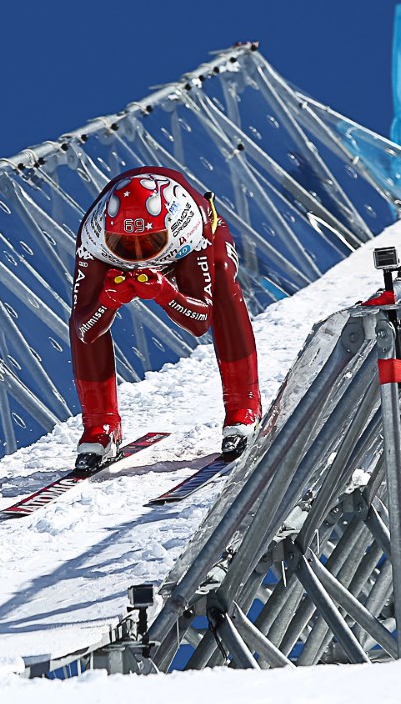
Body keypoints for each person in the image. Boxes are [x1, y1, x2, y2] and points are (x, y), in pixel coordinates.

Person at [68, 166, 260, 474]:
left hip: (182, 252)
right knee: (85, 311)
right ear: (108, 236)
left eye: (149, 242)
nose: (140, 257)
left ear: (171, 229)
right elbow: (85, 330)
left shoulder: (189, 228)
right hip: (140, 252)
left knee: (222, 278)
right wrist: (108, 301)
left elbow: (200, 321)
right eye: (126, 245)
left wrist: (166, 293)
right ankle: (100, 426)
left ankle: (244, 406)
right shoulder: (94, 238)